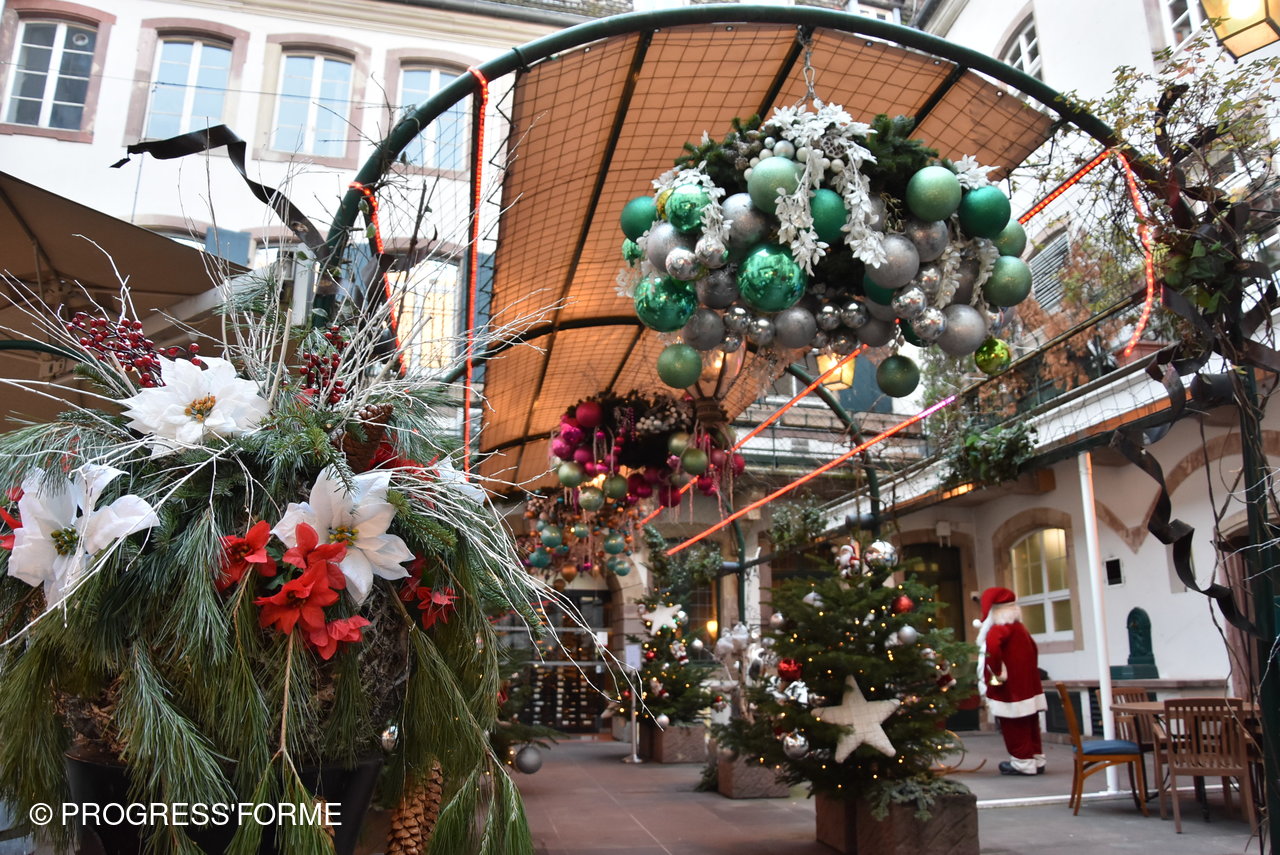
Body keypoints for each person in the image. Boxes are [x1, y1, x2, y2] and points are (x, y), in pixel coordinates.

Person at [975, 586, 1047, 776]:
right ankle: (1036, 759)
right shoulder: (1020, 629)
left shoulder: (998, 630)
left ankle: (1023, 763)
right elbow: (1034, 650)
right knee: (1031, 723)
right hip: (1028, 685)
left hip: (1010, 688)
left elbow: (992, 652)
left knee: (1014, 725)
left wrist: (997, 673)